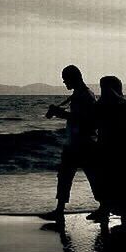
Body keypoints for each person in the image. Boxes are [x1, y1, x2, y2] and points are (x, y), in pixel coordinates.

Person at [40, 65, 99, 222]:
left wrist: (58, 113)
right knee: (66, 176)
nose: (64, 82)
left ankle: (104, 207)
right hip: (76, 142)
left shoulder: (85, 95)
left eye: (66, 79)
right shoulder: (79, 94)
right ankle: (60, 209)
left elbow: (80, 118)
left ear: (74, 78)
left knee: (89, 177)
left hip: (84, 143)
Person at [95, 76, 126, 225]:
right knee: (123, 183)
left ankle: (113, 213)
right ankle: (123, 216)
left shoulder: (110, 104)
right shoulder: (123, 103)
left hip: (113, 148)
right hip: (123, 148)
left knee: (113, 182)